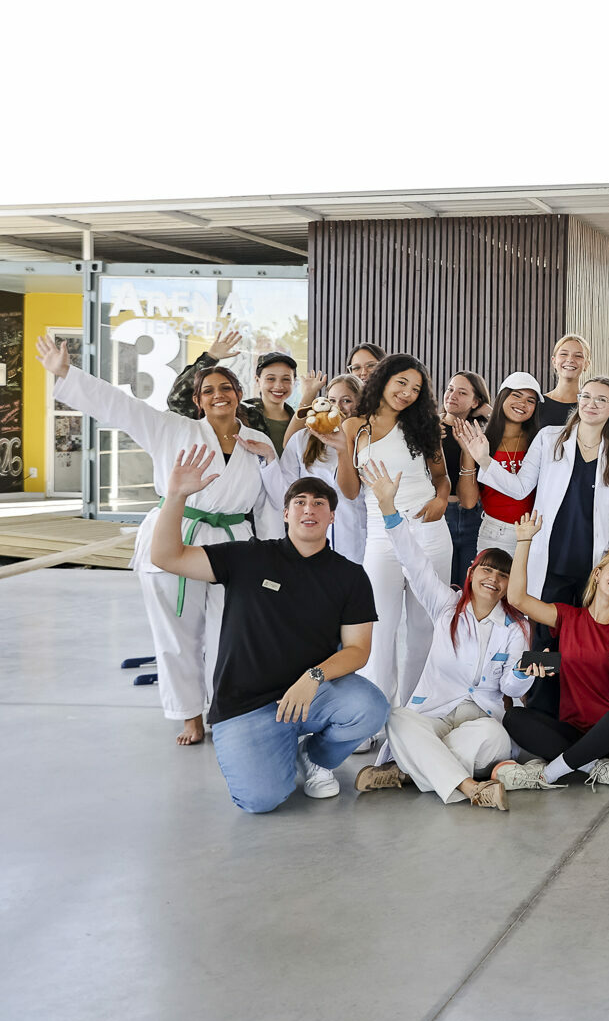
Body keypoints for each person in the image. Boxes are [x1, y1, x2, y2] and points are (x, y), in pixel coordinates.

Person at [40, 333, 278, 747]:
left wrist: (274, 554)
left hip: (234, 541)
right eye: (208, 390)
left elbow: (270, 503)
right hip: (177, 534)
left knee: (231, 632)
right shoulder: (171, 428)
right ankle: (189, 713)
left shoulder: (259, 444)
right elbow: (121, 406)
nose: (218, 395)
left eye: (226, 388)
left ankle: (224, 707)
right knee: (176, 633)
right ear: (197, 400)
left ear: (240, 394)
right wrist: (68, 373)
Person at [147, 447, 384, 812]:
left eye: (319, 503)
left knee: (369, 707)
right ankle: (275, 748)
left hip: (311, 694)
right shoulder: (248, 557)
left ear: (332, 516)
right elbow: (167, 556)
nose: (309, 509)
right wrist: (176, 495)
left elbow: (358, 649)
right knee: (260, 800)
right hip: (247, 706)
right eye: (300, 502)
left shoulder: (350, 576)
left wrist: (314, 677)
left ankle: (315, 757)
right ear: (285, 513)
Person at [350, 461, 529, 811]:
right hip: (434, 714)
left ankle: (406, 772)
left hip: (479, 719)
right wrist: (388, 509)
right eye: (487, 570)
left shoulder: (516, 627)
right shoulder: (446, 605)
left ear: (510, 585)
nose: (493, 579)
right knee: (397, 718)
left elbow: (510, 689)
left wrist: (523, 675)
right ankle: (471, 787)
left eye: (502, 576)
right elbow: (414, 562)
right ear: (471, 572)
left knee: (493, 737)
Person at [457, 374, 609, 635]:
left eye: (601, 400)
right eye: (586, 396)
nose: (591, 404)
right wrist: (484, 460)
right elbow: (520, 488)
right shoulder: (549, 438)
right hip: (550, 557)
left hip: (592, 561)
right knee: (542, 637)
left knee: (583, 634)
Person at [491, 523, 609, 791]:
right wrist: (524, 541)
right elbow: (517, 599)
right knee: (514, 718)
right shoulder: (568, 617)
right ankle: (597, 768)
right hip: (574, 733)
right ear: (598, 574)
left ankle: (548, 774)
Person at [335, 354, 452, 712]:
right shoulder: (354, 427)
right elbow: (350, 492)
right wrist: (341, 450)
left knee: (424, 628)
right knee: (379, 628)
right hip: (381, 536)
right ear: (383, 379)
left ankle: (416, 713)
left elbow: (442, 478)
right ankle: (376, 713)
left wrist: (441, 500)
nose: (407, 393)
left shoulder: (424, 426)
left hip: (428, 532)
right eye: (402, 382)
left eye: (416, 388)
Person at [280, 373, 368, 564]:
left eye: (346, 401)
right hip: (309, 532)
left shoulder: (366, 440)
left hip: (355, 535)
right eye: (332, 400)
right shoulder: (302, 439)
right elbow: (287, 488)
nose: (338, 407)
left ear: (360, 404)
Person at [165, 336, 299, 455]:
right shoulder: (238, 414)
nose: (278, 386)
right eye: (270, 379)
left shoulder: (301, 420)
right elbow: (177, 400)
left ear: (294, 382)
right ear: (257, 380)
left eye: (286, 379)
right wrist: (210, 358)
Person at [472, 372, 542, 558]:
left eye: (530, 401)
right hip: (495, 531)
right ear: (503, 397)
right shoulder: (482, 441)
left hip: (533, 532)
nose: (522, 404)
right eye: (516, 395)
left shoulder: (539, 441)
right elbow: (470, 499)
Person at [440, 370, 490, 585]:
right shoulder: (432, 428)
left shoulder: (481, 434)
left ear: (475, 401)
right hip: (440, 515)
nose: (452, 396)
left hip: (473, 516)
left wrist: (488, 411)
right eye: (450, 389)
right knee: (442, 586)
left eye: (462, 392)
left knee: (469, 586)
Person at [533, 332, 591, 431]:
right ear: (554, 361)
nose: (570, 359)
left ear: (586, 364)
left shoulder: (591, 407)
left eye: (578, 356)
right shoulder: (538, 404)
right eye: (564, 354)